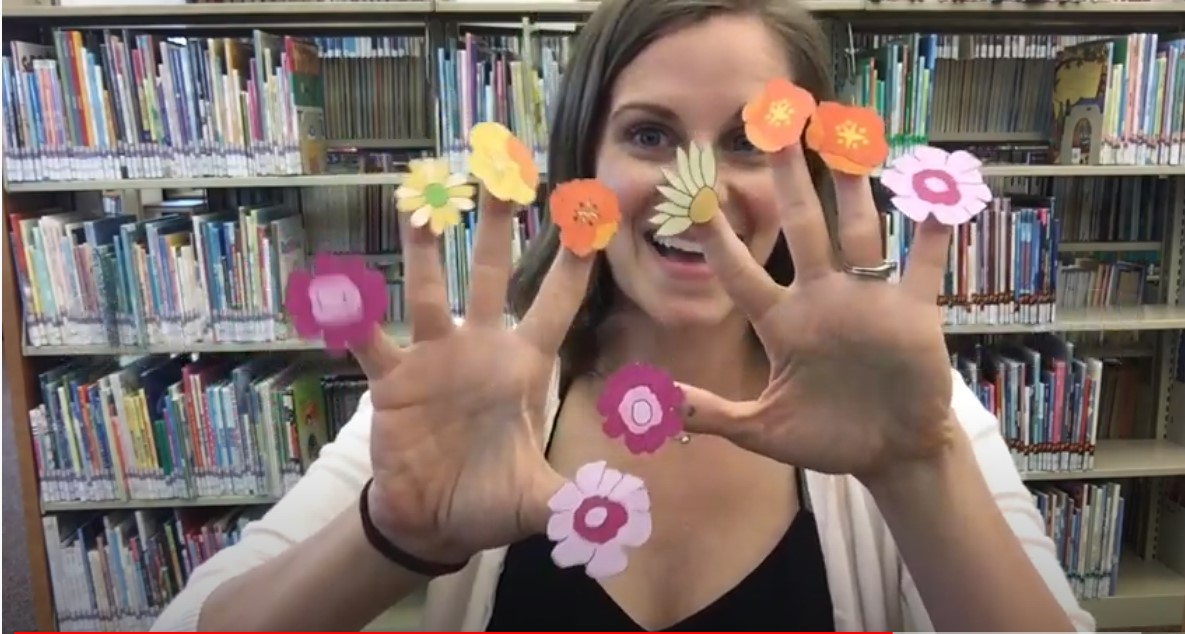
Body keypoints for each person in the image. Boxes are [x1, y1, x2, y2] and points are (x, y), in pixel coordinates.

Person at [153, 0, 1096, 630]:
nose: (698, 193)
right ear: (581, 166)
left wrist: (916, 469)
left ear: (806, 175)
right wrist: (392, 533)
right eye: (649, 135)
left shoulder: (914, 418)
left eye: (747, 141)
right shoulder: (477, 401)